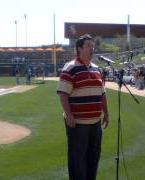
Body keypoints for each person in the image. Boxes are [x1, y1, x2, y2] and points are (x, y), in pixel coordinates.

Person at [57, 34, 109, 180]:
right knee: (77, 160)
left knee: (94, 157)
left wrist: (106, 113)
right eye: (88, 46)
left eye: (93, 46)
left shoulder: (97, 69)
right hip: (78, 124)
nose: (92, 48)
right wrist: (69, 114)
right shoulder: (70, 68)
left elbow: (102, 93)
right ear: (79, 48)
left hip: (95, 123)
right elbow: (63, 93)